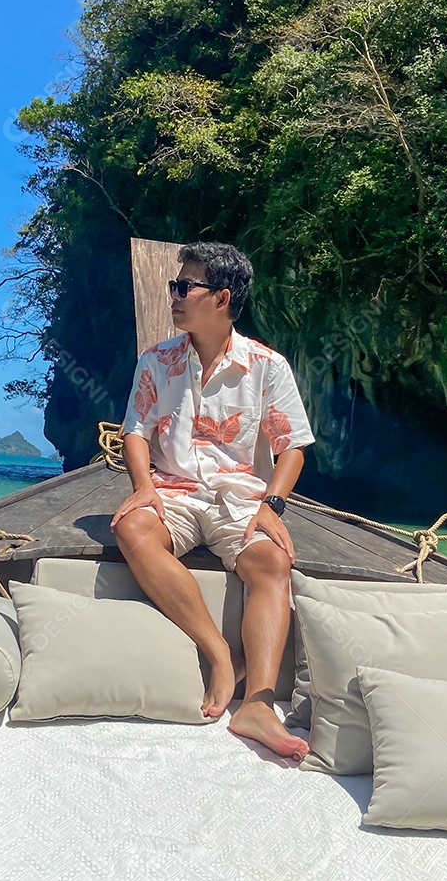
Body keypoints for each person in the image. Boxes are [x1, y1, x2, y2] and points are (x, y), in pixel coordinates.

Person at [110, 242, 315, 760]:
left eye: (185, 287)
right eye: (173, 286)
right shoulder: (156, 361)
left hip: (239, 496)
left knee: (271, 560)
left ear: (222, 297)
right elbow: (135, 431)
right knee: (132, 529)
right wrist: (144, 486)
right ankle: (219, 651)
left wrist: (273, 504)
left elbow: (292, 446)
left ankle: (259, 704)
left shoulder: (267, 367)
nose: (174, 296)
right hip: (173, 489)